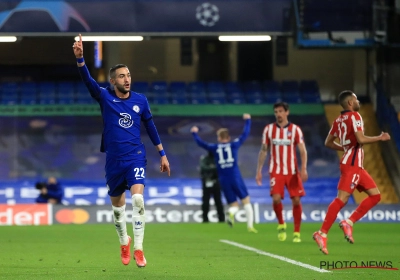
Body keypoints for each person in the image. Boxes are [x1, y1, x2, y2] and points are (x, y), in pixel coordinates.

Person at [72, 34, 170, 267]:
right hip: (114, 161)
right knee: (118, 210)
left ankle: (138, 248)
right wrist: (80, 60)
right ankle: (124, 242)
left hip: (136, 156)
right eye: (122, 76)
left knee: (138, 199)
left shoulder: (141, 100)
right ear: (113, 81)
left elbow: (151, 126)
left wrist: (162, 153)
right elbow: (88, 82)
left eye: (128, 75)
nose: (127, 79)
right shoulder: (105, 97)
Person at [312, 90, 390, 255]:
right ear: (350, 103)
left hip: (356, 166)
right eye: (355, 99)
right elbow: (360, 139)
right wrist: (379, 137)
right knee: (342, 199)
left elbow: (328, 142)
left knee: (375, 195)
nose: (358, 102)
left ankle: (349, 222)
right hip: (352, 165)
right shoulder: (355, 116)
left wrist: (345, 148)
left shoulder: (338, 120)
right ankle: (322, 233)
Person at [190, 113, 257, 233]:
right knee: (246, 200)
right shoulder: (234, 144)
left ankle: (231, 213)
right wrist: (248, 121)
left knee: (234, 205)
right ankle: (250, 226)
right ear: (228, 137)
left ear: (219, 138)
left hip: (223, 180)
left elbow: (201, 143)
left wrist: (194, 133)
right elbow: (245, 134)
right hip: (235, 176)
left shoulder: (214, 147)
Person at [255, 102, 308, 243]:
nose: (278, 114)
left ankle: (296, 232)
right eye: (276, 112)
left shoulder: (295, 130)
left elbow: (302, 151)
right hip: (276, 171)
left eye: (280, 111)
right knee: (276, 198)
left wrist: (303, 168)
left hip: (292, 171)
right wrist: (259, 170)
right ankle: (281, 224)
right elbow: (264, 150)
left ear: (287, 112)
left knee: (296, 200)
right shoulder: (269, 129)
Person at [199, 151, 225, 223]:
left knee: (218, 202)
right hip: (206, 182)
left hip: (216, 182)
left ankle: (221, 219)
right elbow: (203, 168)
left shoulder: (218, 159)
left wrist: (211, 167)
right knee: (205, 202)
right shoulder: (204, 159)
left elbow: (220, 169)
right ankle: (205, 219)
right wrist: (214, 168)